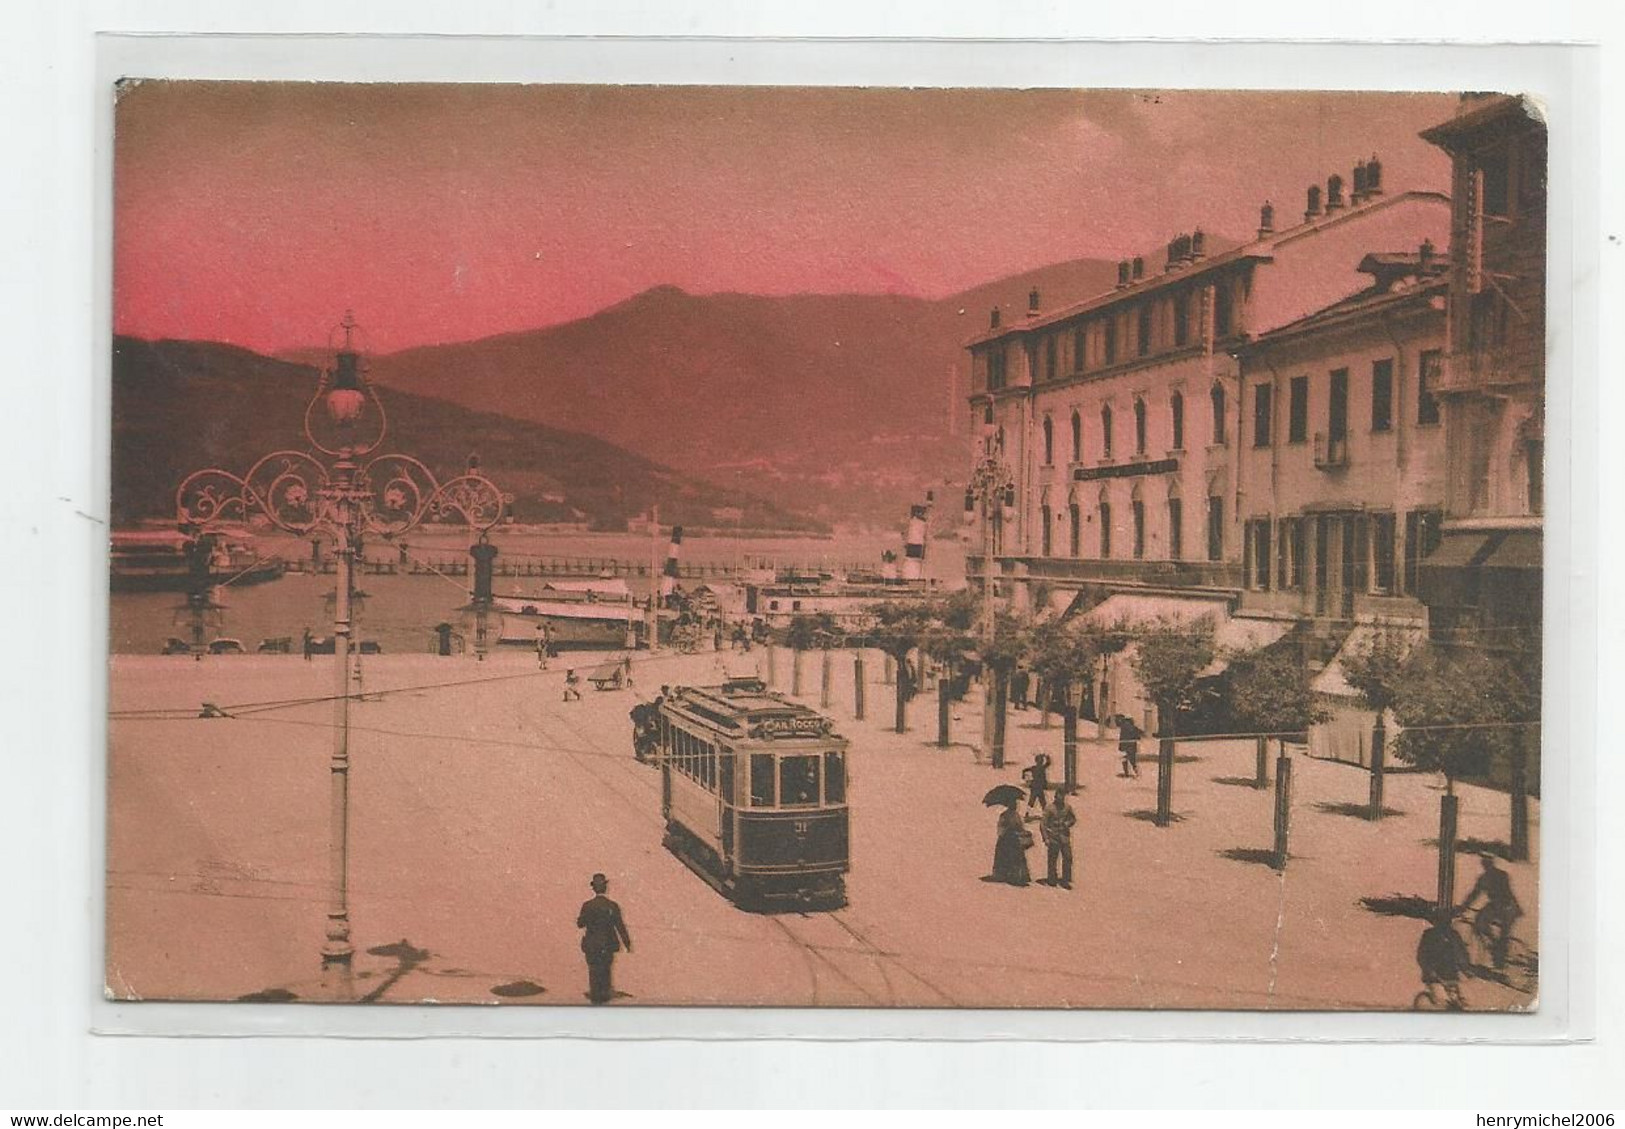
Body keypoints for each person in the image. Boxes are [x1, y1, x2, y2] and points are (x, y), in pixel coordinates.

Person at [1457, 853, 1522, 969]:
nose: (1485, 866)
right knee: (1480, 921)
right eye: (1484, 864)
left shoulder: (1498, 876)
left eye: (1487, 864)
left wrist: (1464, 906)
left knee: (1503, 933)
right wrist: (1464, 906)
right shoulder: (1486, 877)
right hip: (1497, 905)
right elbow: (1474, 894)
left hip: (1506, 905)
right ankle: (1494, 944)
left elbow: (1508, 893)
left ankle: (1499, 957)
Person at [576, 873, 632, 1004]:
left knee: (593, 971)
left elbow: (580, 924)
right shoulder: (612, 906)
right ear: (605, 888)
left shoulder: (587, 905)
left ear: (594, 888)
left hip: (591, 945)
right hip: (608, 944)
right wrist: (627, 942)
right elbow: (620, 925)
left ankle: (595, 997)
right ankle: (604, 996)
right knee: (606, 970)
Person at [1416, 909, 1471, 1010]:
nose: (1444, 924)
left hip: (1449, 975)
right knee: (1440, 1002)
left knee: (1454, 1002)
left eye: (1445, 921)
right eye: (1441, 921)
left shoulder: (1453, 935)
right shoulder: (1429, 935)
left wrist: (1465, 968)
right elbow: (1421, 955)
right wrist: (1429, 970)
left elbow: (1461, 953)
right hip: (1434, 977)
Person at [986, 798, 1032, 887]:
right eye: (1014, 804)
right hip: (1006, 841)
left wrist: (1022, 831)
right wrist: (1008, 829)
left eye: (1016, 804)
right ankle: (1008, 875)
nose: (1015, 806)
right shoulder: (1004, 815)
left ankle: (1016, 875)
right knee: (1009, 857)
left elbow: (1020, 826)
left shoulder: (1016, 815)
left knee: (1016, 858)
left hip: (1014, 839)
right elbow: (1001, 829)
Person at [1040, 788, 1077, 889]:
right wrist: (1046, 838)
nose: (1061, 798)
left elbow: (1073, 819)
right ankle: (1052, 878)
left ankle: (1065, 879)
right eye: (1059, 796)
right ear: (1055, 797)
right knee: (1052, 858)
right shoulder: (1049, 808)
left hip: (1064, 836)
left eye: (1063, 796)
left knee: (1068, 857)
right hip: (1053, 837)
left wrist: (1067, 823)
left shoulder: (1067, 807)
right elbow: (1043, 824)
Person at [1020, 753, 1051, 817]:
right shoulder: (1042, 767)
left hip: (1034, 787)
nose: (1041, 761)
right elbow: (1048, 763)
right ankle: (1045, 814)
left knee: (1033, 801)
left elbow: (1024, 770)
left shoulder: (1033, 768)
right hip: (1038, 787)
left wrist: (1023, 775)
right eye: (1041, 760)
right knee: (1041, 802)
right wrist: (1046, 756)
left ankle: (1027, 813)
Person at [1117, 714, 1142, 779]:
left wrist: (1120, 747)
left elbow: (1121, 738)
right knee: (1133, 761)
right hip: (1132, 746)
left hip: (1124, 746)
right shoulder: (1134, 728)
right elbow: (1138, 737)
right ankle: (1137, 773)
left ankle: (1126, 773)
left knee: (1124, 760)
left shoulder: (1123, 728)